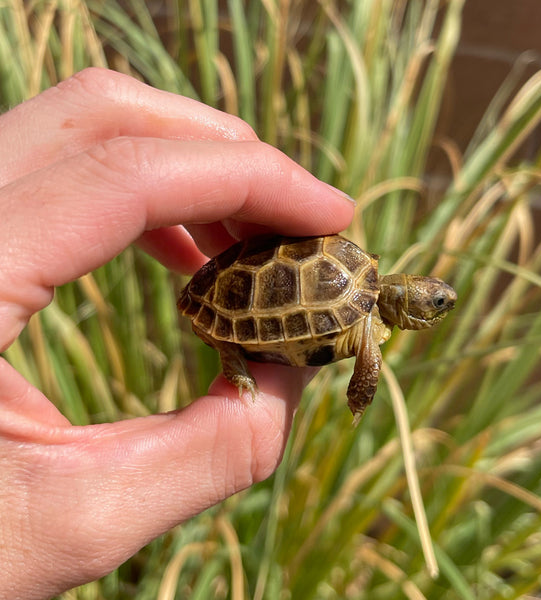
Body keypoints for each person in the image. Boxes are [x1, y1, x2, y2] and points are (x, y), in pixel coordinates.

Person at [0, 68, 354, 598]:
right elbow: (363, 359)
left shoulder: (358, 297)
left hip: (263, 295)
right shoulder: (358, 309)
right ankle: (232, 360)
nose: (438, 307)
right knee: (239, 340)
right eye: (435, 302)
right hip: (240, 304)